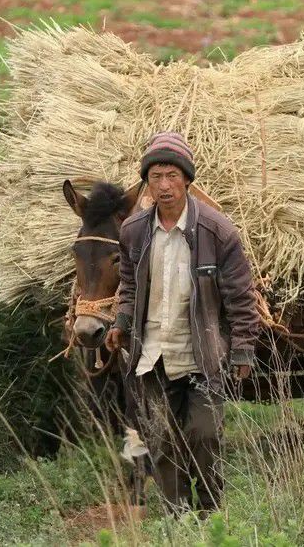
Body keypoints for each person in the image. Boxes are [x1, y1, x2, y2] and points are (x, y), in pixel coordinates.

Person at [105, 131, 261, 515]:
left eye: (172, 175)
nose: (164, 185)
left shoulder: (217, 232)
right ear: (147, 182)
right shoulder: (133, 231)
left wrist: (242, 347)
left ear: (188, 179)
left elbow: (241, 298)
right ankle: (178, 516)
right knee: (161, 439)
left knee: (204, 435)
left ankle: (209, 512)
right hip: (152, 355)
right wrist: (122, 321)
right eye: (155, 176)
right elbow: (129, 285)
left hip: (201, 356)